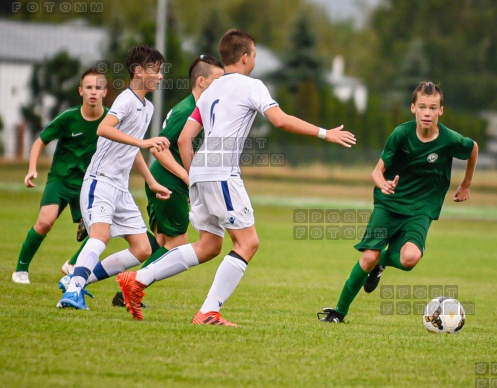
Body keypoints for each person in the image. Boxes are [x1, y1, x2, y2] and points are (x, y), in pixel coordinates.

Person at [116, 29, 356, 324]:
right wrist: (325, 133)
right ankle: (208, 311)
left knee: (209, 246)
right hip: (221, 172)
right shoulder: (251, 85)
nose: (254, 60)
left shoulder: (210, 90)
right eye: (254, 54)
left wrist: (194, 179)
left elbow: (184, 139)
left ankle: (138, 280)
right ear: (245, 57)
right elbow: (280, 120)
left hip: (201, 171)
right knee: (248, 243)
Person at [318, 81, 478, 323]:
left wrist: (466, 184)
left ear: (441, 111)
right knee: (368, 257)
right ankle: (338, 312)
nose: (427, 113)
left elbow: (473, 147)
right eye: (422, 107)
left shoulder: (449, 140)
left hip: (421, 209)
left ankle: (381, 263)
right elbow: (376, 172)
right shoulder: (401, 134)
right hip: (389, 203)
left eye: (433, 108)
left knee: (410, 259)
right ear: (413, 108)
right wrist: (383, 184)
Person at [57, 45, 171, 310]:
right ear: (139, 71)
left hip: (120, 187)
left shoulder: (148, 107)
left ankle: (78, 280)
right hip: (100, 180)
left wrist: (151, 182)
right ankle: (72, 293)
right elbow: (103, 128)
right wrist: (143, 143)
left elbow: (132, 148)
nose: (161, 76)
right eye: (157, 70)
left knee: (142, 248)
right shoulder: (127, 99)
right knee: (100, 236)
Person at [111, 55, 225, 307]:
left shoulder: (199, 108)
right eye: (218, 81)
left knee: (161, 242)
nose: (222, 86)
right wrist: (187, 177)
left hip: (169, 180)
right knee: (178, 242)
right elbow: (158, 148)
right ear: (202, 81)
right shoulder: (186, 110)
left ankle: (122, 289)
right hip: (168, 182)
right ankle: (129, 288)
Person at [12, 67, 108, 284]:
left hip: (87, 184)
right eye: (89, 87)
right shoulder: (68, 117)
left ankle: (72, 264)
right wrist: (32, 168)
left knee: (100, 229)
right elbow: (40, 141)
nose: (93, 91)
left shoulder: (110, 119)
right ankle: (20, 270)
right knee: (45, 222)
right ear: (81, 91)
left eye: (98, 87)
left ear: (105, 91)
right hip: (60, 180)